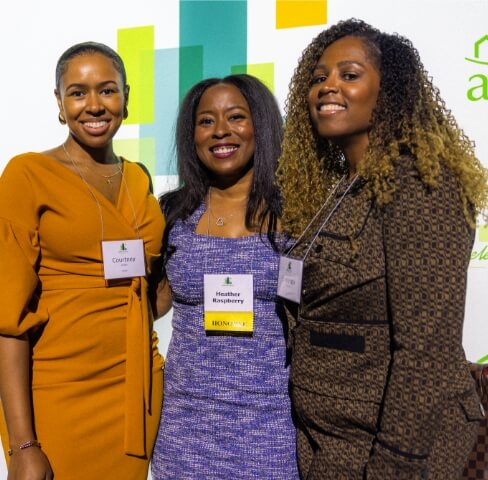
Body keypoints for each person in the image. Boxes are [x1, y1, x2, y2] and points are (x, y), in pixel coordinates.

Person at [276, 18, 487, 479]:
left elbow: (425, 351)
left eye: (349, 75)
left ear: (389, 91)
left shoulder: (420, 186)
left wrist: (396, 465)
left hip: (390, 448)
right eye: (318, 78)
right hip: (327, 439)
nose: (328, 87)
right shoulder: (342, 189)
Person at [0, 42, 164, 479]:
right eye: (78, 92)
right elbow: (9, 321)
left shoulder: (138, 176)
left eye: (107, 90)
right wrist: (22, 445)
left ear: (127, 96)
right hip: (61, 392)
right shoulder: (27, 174)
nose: (94, 105)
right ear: (59, 102)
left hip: (136, 390)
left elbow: (152, 290)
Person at [151, 74, 299, 479]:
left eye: (236, 117)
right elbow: (155, 301)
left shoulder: (298, 214)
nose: (220, 131)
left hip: (271, 426)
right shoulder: (172, 214)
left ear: (261, 126)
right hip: (185, 427)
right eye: (206, 121)